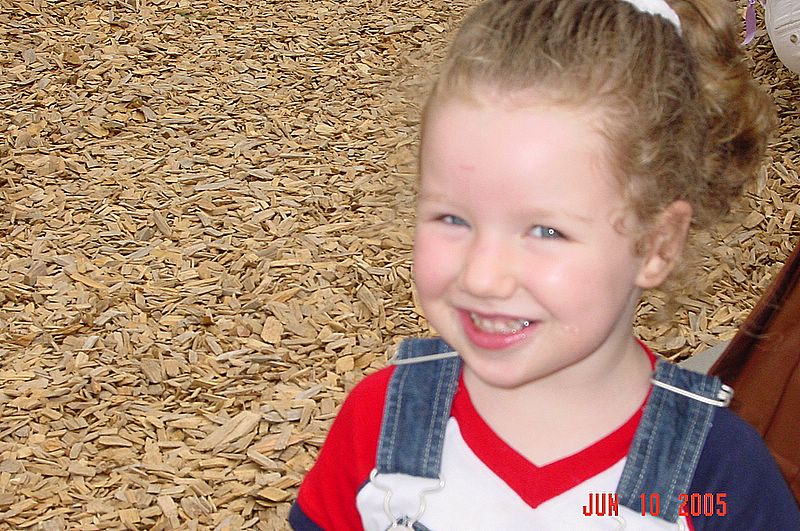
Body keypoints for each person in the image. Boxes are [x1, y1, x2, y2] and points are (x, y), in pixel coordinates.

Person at [289, 0, 800, 528]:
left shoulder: (717, 480)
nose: (482, 276)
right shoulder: (381, 425)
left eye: (545, 231)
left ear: (657, 244)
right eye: (452, 218)